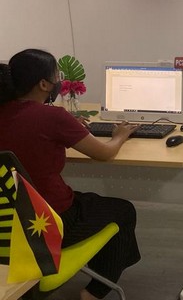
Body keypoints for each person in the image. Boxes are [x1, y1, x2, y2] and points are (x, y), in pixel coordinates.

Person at [0, 49, 141, 300]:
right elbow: (105, 153)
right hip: (50, 221)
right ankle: (94, 292)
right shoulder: (53, 117)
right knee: (123, 210)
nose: (59, 81)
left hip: (8, 224)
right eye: (57, 76)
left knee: (90, 202)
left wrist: (68, 125)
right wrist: (120, 136)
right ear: (44, 84)